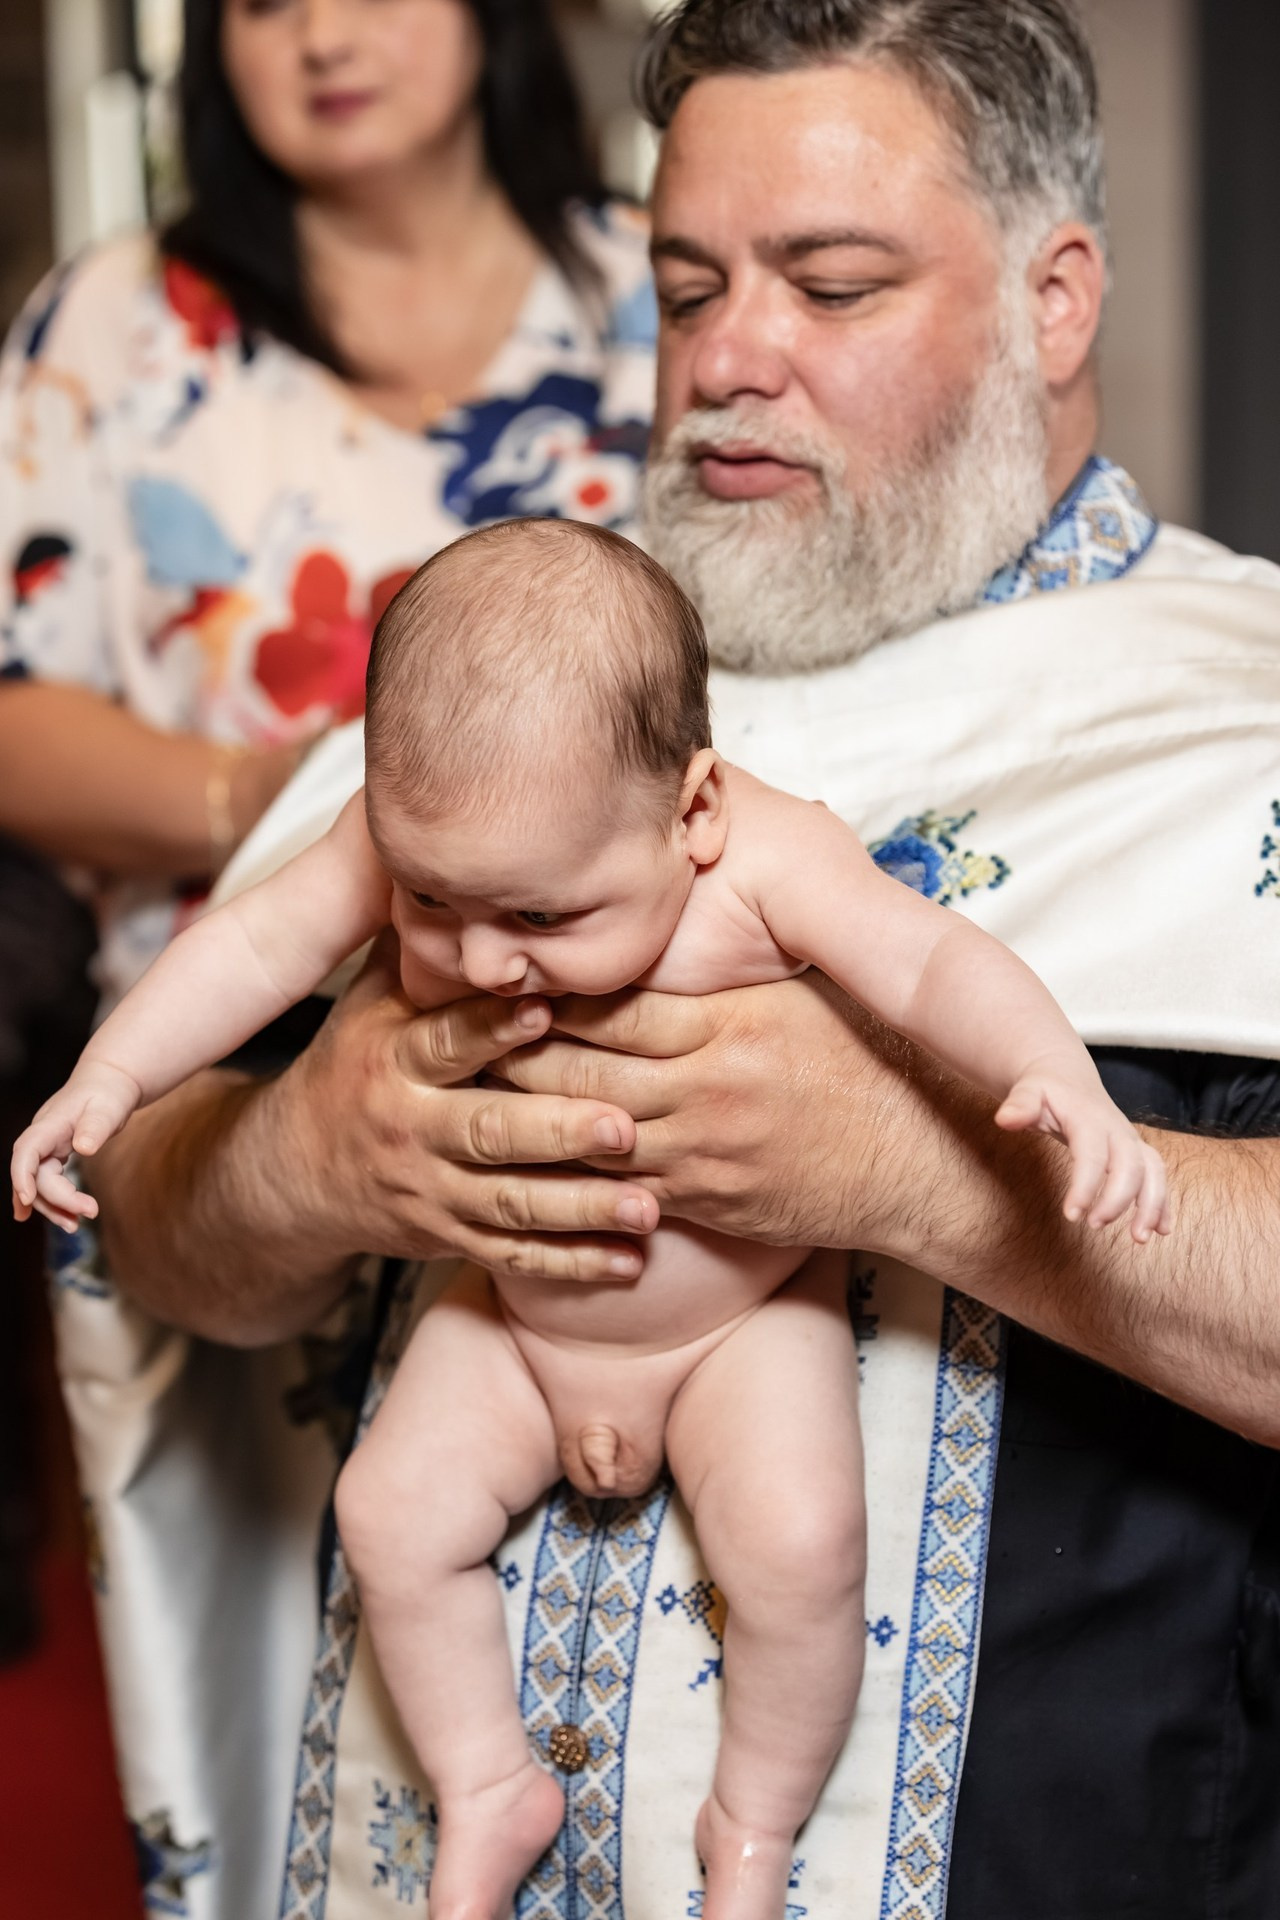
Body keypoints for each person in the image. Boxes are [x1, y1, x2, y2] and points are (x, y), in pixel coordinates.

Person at [74, 1, 1280, 1915]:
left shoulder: (1248, 735)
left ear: (1058, 303)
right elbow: (139, 1227)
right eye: (689, 280)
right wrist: (302, 1159)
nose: (728, 359)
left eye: (831, 282)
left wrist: (910, 1167)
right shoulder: (487, 703)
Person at [14, 515, 1166, 1918]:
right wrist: (112, 1078)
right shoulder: (428, 841)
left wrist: (1057, 1077)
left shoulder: (758, 862)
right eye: (430, 901)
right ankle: (488, 1783)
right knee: (389, 1511)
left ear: (690, 812)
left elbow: (930, 966)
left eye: (542, 918)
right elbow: (254, 945)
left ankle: (750, 1823)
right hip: (511, 1315)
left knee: (801, 1548)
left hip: (733, 1322)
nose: (479, 959)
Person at [0, 0, 653, 1906]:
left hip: (598, 1045)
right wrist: (285, 812)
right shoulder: (120, 324)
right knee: (289, 1655)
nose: (321, 32)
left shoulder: (646, 296)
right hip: (230, 1059)